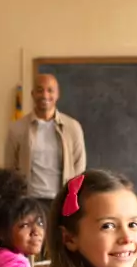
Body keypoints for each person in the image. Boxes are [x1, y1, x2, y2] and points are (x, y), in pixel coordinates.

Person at [6, 73, 87, 211]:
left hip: (62, 201)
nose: (44, 95)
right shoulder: (17, 128)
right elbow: (10, 167)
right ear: (32, 94)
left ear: (57, 94)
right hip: (29, 202)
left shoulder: (72, 127)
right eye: (39, 90)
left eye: (50, 90)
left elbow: (79, 166)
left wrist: (71, 196)